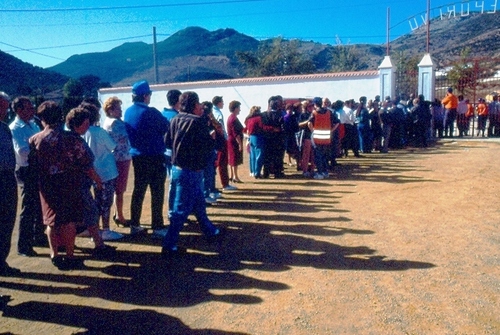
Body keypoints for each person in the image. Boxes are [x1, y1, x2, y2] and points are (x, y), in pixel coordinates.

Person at [30, 103, 101, 270]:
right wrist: (98, 180)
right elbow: (87, 163)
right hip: (70, 182)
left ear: (42, 119)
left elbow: (32, 165)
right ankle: (69, 255)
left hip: (46, 184)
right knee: (69, 221)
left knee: (51, 220)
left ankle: (54, 254)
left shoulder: (35, 139)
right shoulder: (73, 139)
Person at [162, 91, 223, 257]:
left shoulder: (175, 119)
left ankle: (210, 230)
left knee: (198, 203)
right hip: (192, 169)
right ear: (194, 105)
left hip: (178, 168)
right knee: (180, 209)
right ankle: (169, 244)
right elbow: (208, 146)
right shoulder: (198, 122)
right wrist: (213, 137)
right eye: (198, 105)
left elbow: (167, 141)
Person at [124, 80, 170, 237]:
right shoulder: (151, 112)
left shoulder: (128, 112)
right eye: (149, 94)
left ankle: (135, 224)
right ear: (145, 96)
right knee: (157, 192)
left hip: (138, 156)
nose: (150, 97)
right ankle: (157, 226)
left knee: (138, 191)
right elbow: (166, 127)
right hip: (154, 156)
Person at [81, 102, 122, 241]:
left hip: (90, 172)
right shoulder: (99, 132)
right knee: (105, 202)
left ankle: (94, 229)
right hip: (106, 172)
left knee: (95, 203)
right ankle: (105, 230)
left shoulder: (81, 132)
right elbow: (112, 146)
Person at [9, 96, 43, 257]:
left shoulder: (33, 124)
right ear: (19, 110)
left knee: (39, 204)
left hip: (36, 167)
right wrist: (39, 148)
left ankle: (39, 236)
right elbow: (22, 151)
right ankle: (24, 245)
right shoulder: (15, 128)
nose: (32, 110)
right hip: (26, 169)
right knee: (28, 207)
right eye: (28, 108)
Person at [102, 97, 132, 228]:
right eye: (118, 109)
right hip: (121, 158)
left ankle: (118, 214)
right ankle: (119, 215)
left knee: (117, 189)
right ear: (110, 110)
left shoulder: (108, 121)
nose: (120, 111)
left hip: (116, 157)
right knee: (119, 189)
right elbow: (127, 136)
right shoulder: (116, 123)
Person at [0, 92, 21, 276]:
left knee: (7, 222)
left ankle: (1, 262)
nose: (4, 111)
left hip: (7, 178)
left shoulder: (4, 128)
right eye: (2, 107)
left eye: (5, 107)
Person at [308, 97, 339, 179]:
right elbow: (337, 122)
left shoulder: (314, 112)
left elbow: (309, 123)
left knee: (318, 155)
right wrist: (331, 130)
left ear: (315, 104)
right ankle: (325, 172)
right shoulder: (329, 112)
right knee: (325, 155)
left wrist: (313, 131)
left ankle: (320, 172)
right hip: (326, 137)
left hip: (317, 137)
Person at [212, 96, 237, 191]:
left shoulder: (214, 112)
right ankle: (225, 184)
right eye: (222, 102)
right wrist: (224, 137)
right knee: (222, 162)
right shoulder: (218, 113)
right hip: (221, 140)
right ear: (218, 103)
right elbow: (220, 127)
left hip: (216, 140)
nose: (223, 104)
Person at [261, 96, 285, 179]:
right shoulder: (280, 115)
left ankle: (266, 173)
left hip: (267, 138)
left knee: (267, 156)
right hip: (277, 138)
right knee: (277, 156)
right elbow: (282, 127)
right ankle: (277, 173)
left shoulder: (264, 114)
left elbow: (262, 126)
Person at [244, 106, 264, 178]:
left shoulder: (248, 119)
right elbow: (263, 127)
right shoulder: (259, 119)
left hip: (251, 137)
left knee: (252, 155)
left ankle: (252, 171)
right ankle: (257, 172)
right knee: (259, 154)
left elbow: (245, 129)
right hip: (258, 137)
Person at [227, 100, 244, 183]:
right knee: (234, 159)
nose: (240, 110)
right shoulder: (233, 119)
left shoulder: (231, 117)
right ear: (236, 108)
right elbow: (236, 133)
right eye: (239, 108)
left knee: (231, 158)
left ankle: (231, 175)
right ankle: (235, 176)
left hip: (231, 140)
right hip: (234, 141)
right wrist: (240, 144)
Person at [298, 100, 315, 177]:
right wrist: (308, 121)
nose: (311, 107)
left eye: (312, 106)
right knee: (306, 154)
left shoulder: (313, 114)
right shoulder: (303, 115)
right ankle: (305, 170)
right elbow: (299, 124)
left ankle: (312, 170)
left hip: (314, 135)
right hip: (306, 135)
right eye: (309, 106)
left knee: (313, 154)